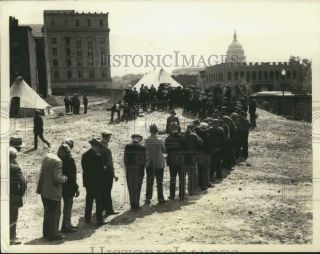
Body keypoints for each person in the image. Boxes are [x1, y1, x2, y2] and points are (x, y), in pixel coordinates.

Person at [36, 146, 68, 241]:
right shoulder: (58, 161)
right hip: (53, 192)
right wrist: (65, 178)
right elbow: (57, 178)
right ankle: (53, 234)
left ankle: (46, 233)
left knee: (47, 213)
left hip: (44, 191)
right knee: (55, 214)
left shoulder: (46, 157)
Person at [81, 138, 106, 226]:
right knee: (99, 201)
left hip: (88, 182)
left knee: (89, 200)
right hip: (97, 182)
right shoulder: (98, 157)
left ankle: (87, 218)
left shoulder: (84, 155)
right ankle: (99, 220)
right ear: (96, 146)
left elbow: (84, 168)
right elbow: (101, 170)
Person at [60, 141, 79, 233]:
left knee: (64, 208)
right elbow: (72, 176)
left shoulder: (59, 160)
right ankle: (66, 226)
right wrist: (76, 187)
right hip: (69, 187)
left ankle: (67, 224)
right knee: (68, 208)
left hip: (60, 187)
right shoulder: (70, 161)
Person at [145, 124, 166, 204]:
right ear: (157, 131)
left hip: (150, 163)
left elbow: (145, 151)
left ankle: (148, 198)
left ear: (150, 131)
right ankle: (161, 198)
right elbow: (164, 151)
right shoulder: (160, 140)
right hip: (159, 163)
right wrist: (164, 158)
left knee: (149, 181)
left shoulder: (147, 140)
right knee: (159, 181)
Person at [124, 134, 146, 210]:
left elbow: (125, 159)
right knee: (138, 187)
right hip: (139, 170)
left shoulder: (127, 146)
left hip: (129, 169)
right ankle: (136, 204)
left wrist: (127, 167)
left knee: (131, 187)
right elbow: (143, 161)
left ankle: (132, 204)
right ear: (139, 139)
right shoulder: (143, 147)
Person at [9, 147, 26, 245]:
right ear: (14, 157)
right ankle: (11, 239)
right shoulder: (15, 168)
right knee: (12, 218)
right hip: (13, 197)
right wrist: (20, 194)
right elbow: (23, 183)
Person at [100, 131, 119, 215]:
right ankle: (109, 209)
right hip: (107, 173)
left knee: (102, 191)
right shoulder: (107, 149)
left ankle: (102, 208)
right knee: (107, 192)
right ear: (107, 137)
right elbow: (109, 164)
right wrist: (113, 175)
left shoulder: (99, 145)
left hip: (100, 173)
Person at [165, 122, 185, 200]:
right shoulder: (182, 137)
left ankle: (172, 195)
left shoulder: (167, 139)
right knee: (181, 178)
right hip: (181, 161)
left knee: (172, 178)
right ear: (178, 128)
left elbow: (166, 152)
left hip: (172, 162)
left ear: (170, 129)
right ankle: (182, 194)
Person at [183, 124, 202, 196]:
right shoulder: (194, 135)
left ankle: (183, 191)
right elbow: (200, 142)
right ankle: (191, 191)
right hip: (191, 157)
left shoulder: (183, 135)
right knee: (192, 175)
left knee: (183, 176)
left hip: (183, 158)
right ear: (192, 129)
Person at [195, 122, 213, 190]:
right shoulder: (208, 135)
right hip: (207, 154)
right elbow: (211, 145)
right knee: (206, 169)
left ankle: (200, 184)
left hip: (199, 154)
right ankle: (205, 183)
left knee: (200, 170)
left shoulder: (197, 135)